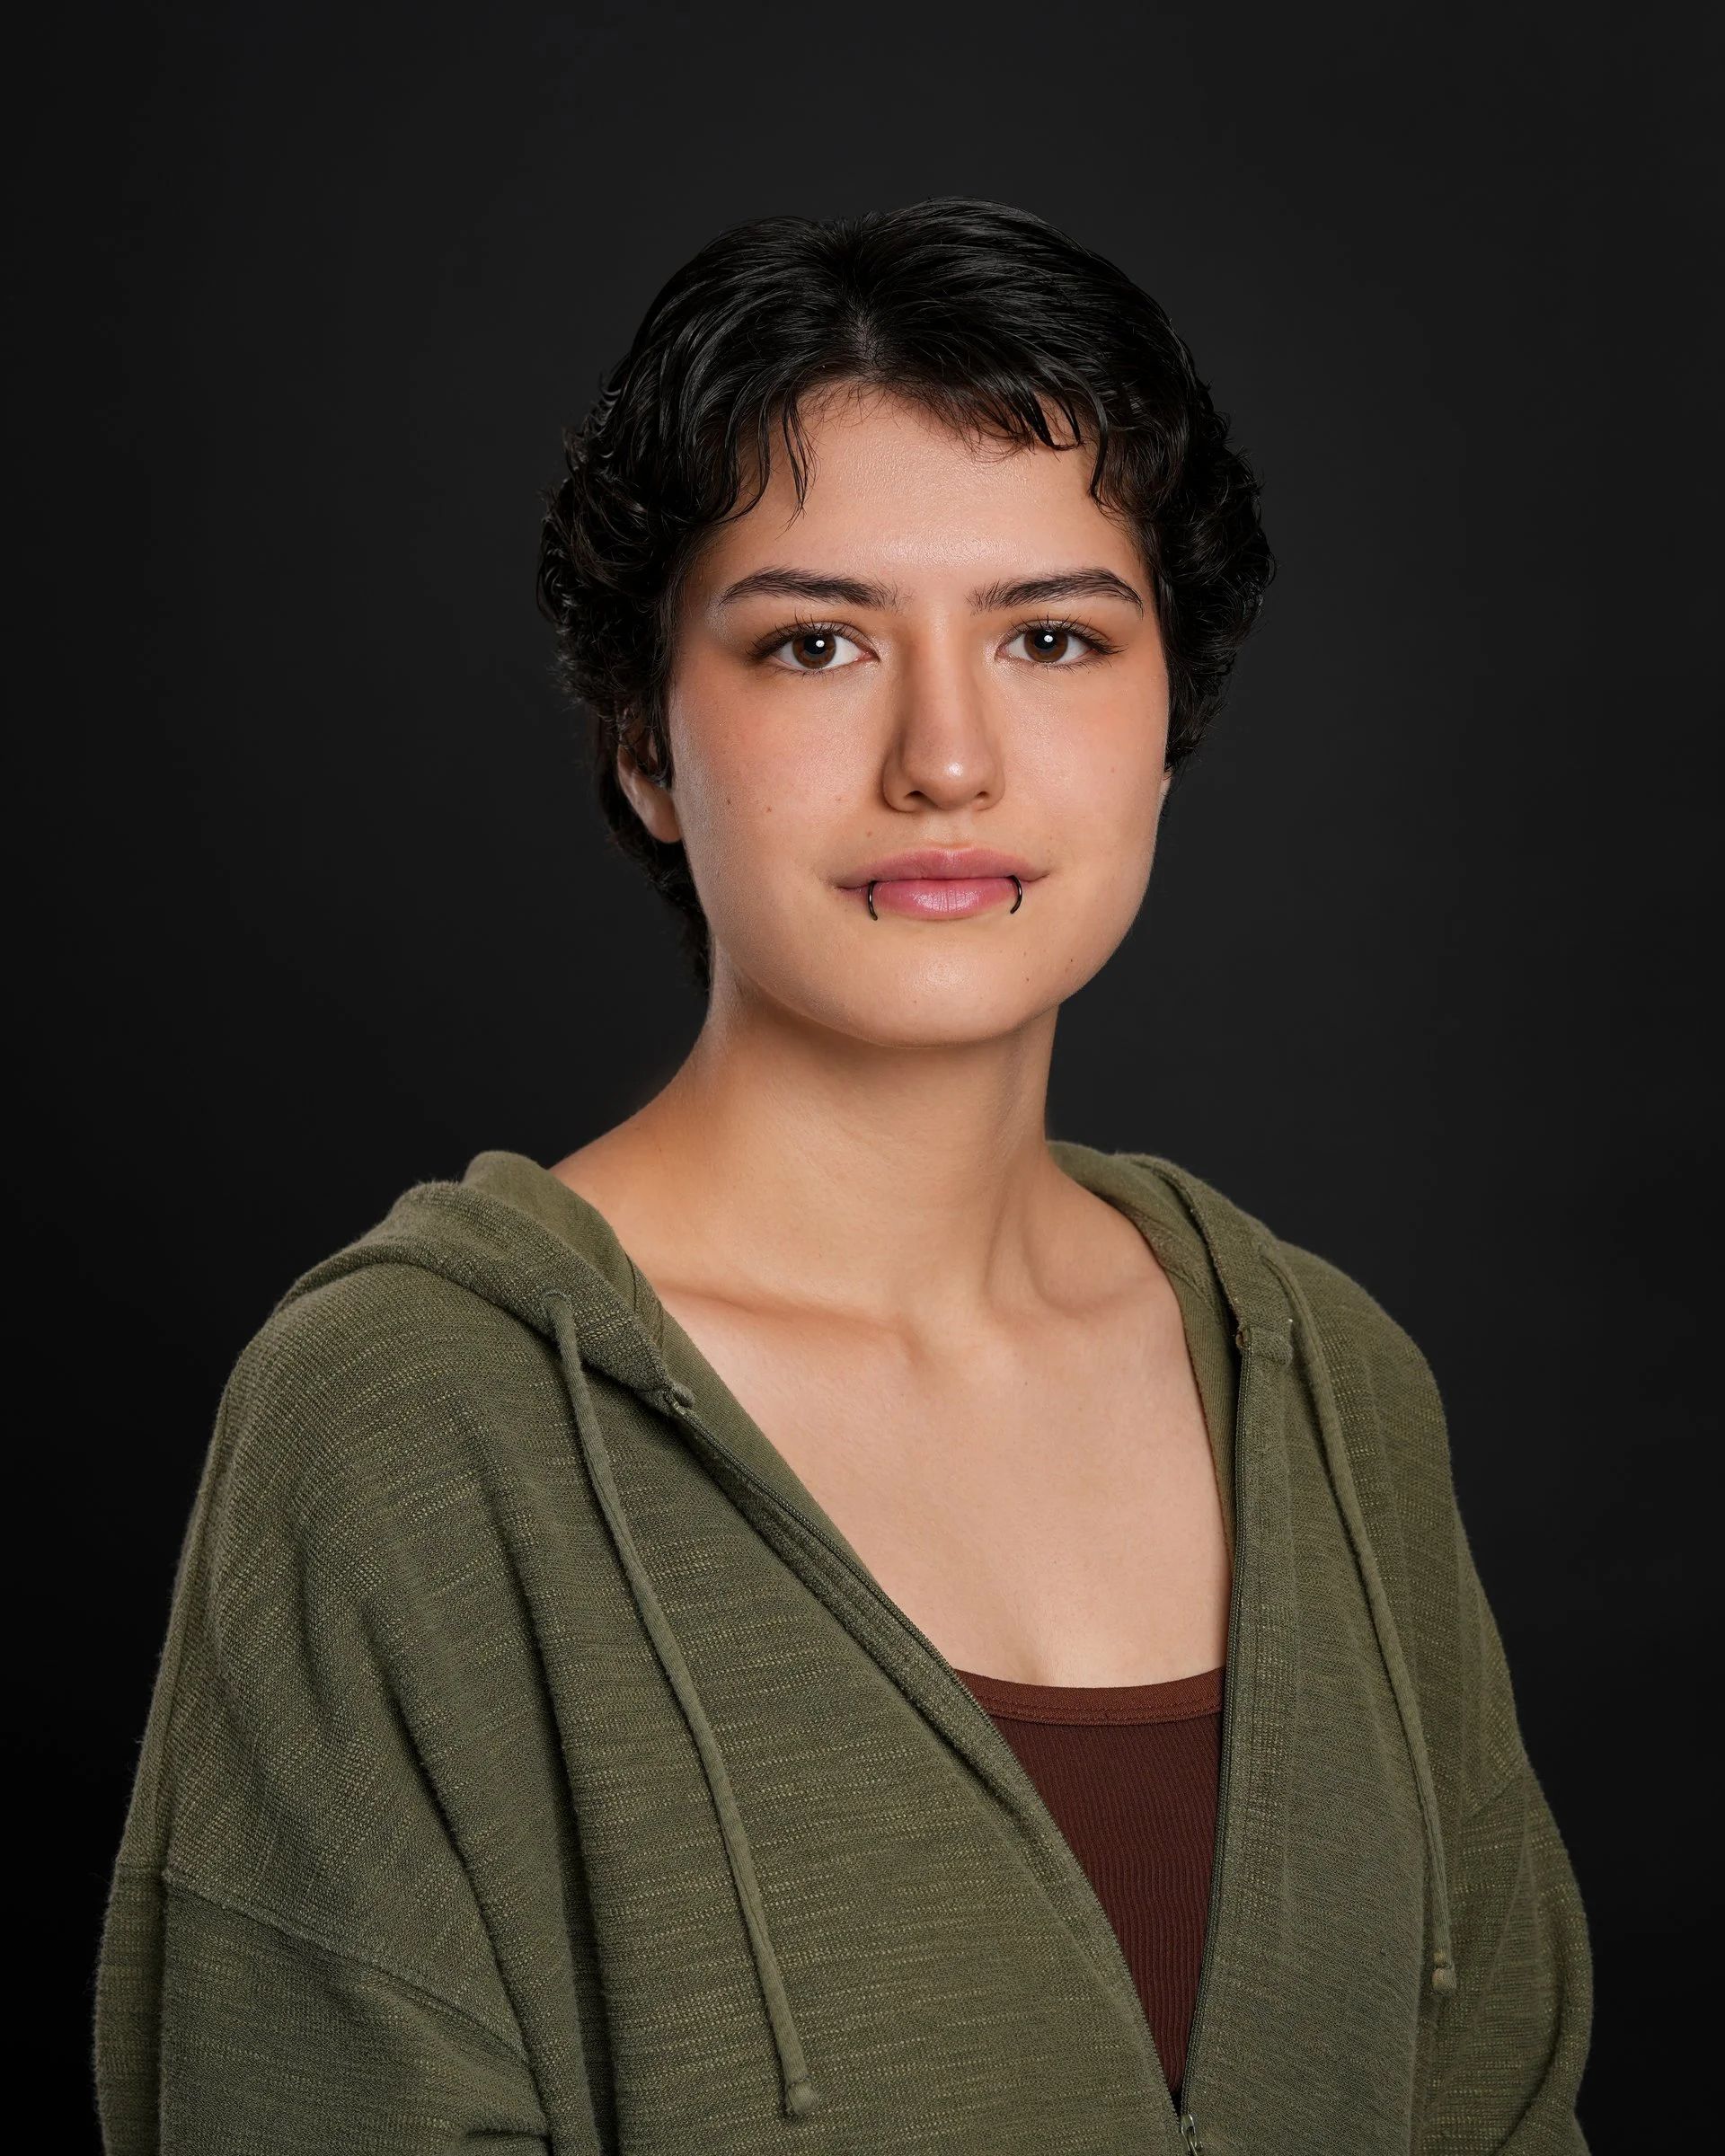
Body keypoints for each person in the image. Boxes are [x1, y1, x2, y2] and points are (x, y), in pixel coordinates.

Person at [92, 198, 1592, 2152]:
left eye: (1052, 637)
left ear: (1169, 723)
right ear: (645, 738)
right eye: (816, 643)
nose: (946, 759)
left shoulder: (1337, 1391)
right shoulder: (406, 1425)